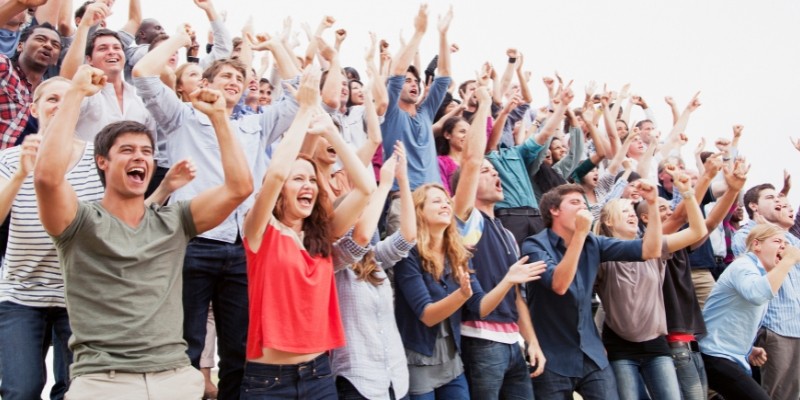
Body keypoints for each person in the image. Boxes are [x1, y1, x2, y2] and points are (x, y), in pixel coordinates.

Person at [33, 64, 253, 399]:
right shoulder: (79, 223)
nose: (140, 157)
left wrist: (220, 118)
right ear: (102, 162)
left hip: (174, 378)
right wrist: (75, 94)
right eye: (127, 150)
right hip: (104, 382)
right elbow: (48, 178)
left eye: (147, 152)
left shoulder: (174, 221)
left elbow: (239, 188)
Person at [0, 75, 195, 400]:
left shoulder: (99, 159)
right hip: (21, 294)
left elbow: (123, 219)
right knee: (21, 389)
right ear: (34, 108)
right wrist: (22, 172)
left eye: (68, 99)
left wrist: (164, 189)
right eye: (52, 100)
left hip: (79, 297)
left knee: (72, 389)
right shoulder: (8, 160)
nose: (61, 105)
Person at [133, 27, 301, 399]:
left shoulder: (255, 125)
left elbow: (298, 94)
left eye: (240, 78)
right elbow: (143, 73)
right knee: (186, 344)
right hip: (192, 243)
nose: (234, 81)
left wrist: (274, 44)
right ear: (203, 83)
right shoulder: (180, 117)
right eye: (225, 75)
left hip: (243, 247)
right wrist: (180, 41)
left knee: (240, 347)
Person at [240, 68, 375, 399]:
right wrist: (304, 110)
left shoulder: (321, 236)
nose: (308, 186)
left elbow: (366, 188)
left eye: (312, 180)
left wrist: (332, 132)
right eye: (298, 178)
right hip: (268, 382)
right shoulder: (260, 231)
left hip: (319, 376)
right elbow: (273, 176)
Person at [521, 182, 662, 399]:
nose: (583, 208)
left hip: (591, 354)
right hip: (550, 357)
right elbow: (560, 285)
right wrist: (579, 234)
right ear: (555, 210)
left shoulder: (593, 242)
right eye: (575, 202)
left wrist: (652, 204)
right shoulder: (534, 246)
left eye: (584, 203)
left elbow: (650, 249)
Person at [450, 85, 546, 399]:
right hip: (481, 342)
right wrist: (486, 107)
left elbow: (518, 296)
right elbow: (478, 307)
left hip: (513, 344)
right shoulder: (465, 220)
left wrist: (531, 340)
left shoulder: (506, 231)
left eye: (496, 171)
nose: (496, 175)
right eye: (486, 171)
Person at [593, 172, 707, 400]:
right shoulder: (600, 255)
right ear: (608, 221)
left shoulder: (654, 247)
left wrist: (686, 193)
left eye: (632, 211)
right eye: (624, 211)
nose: (631, 215)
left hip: (656, 344)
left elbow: (698, 231)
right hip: (619, 347)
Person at [331, 142, 414, 400]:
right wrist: (384, 183)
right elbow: (360, 236)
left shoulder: (374, 259)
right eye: (361, 212)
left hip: (395, 378)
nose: (368, 217)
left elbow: (408, 237)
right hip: (357, 380)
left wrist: (403, 180)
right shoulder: (332, 262)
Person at [700, 224, 800, 400]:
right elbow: (757, 294)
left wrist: (749, 348)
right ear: (756, 245)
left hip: (729, 356)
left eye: (785, 242)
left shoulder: (758, 273)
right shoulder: (743, 265)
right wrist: (787, 261)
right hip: (714, 354)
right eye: (777, 241)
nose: (783, 246)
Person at [732, 182, 800, 400]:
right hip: (775, 327)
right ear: (754, 206)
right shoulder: (745, 235)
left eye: (779, 198)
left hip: (796, 324)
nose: (778, 201)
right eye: (770, 198)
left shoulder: (788, 238)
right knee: (774, 394)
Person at [0, 21, 61, 149]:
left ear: (56, 60)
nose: (48, 46)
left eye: (55, 45)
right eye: (40, 39)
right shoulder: (5, 69)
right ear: (20, 46)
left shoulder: (52, 95)